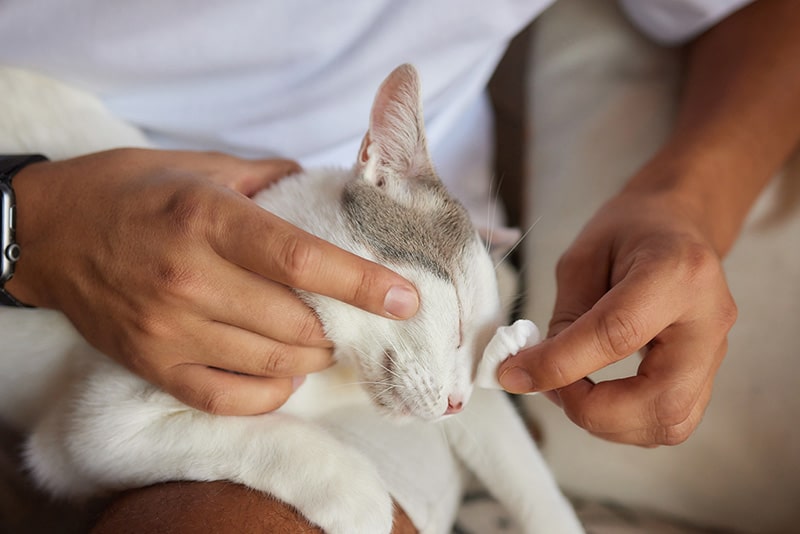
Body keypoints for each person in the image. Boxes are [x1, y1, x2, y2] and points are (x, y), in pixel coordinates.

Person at [1, 0, 798, 532]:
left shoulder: (394, 313)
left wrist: (683, 204)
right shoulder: (352, 239)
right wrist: (19, 218)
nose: (453, 396)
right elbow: (83, 442)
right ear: (377, 168)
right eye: (453, 333)